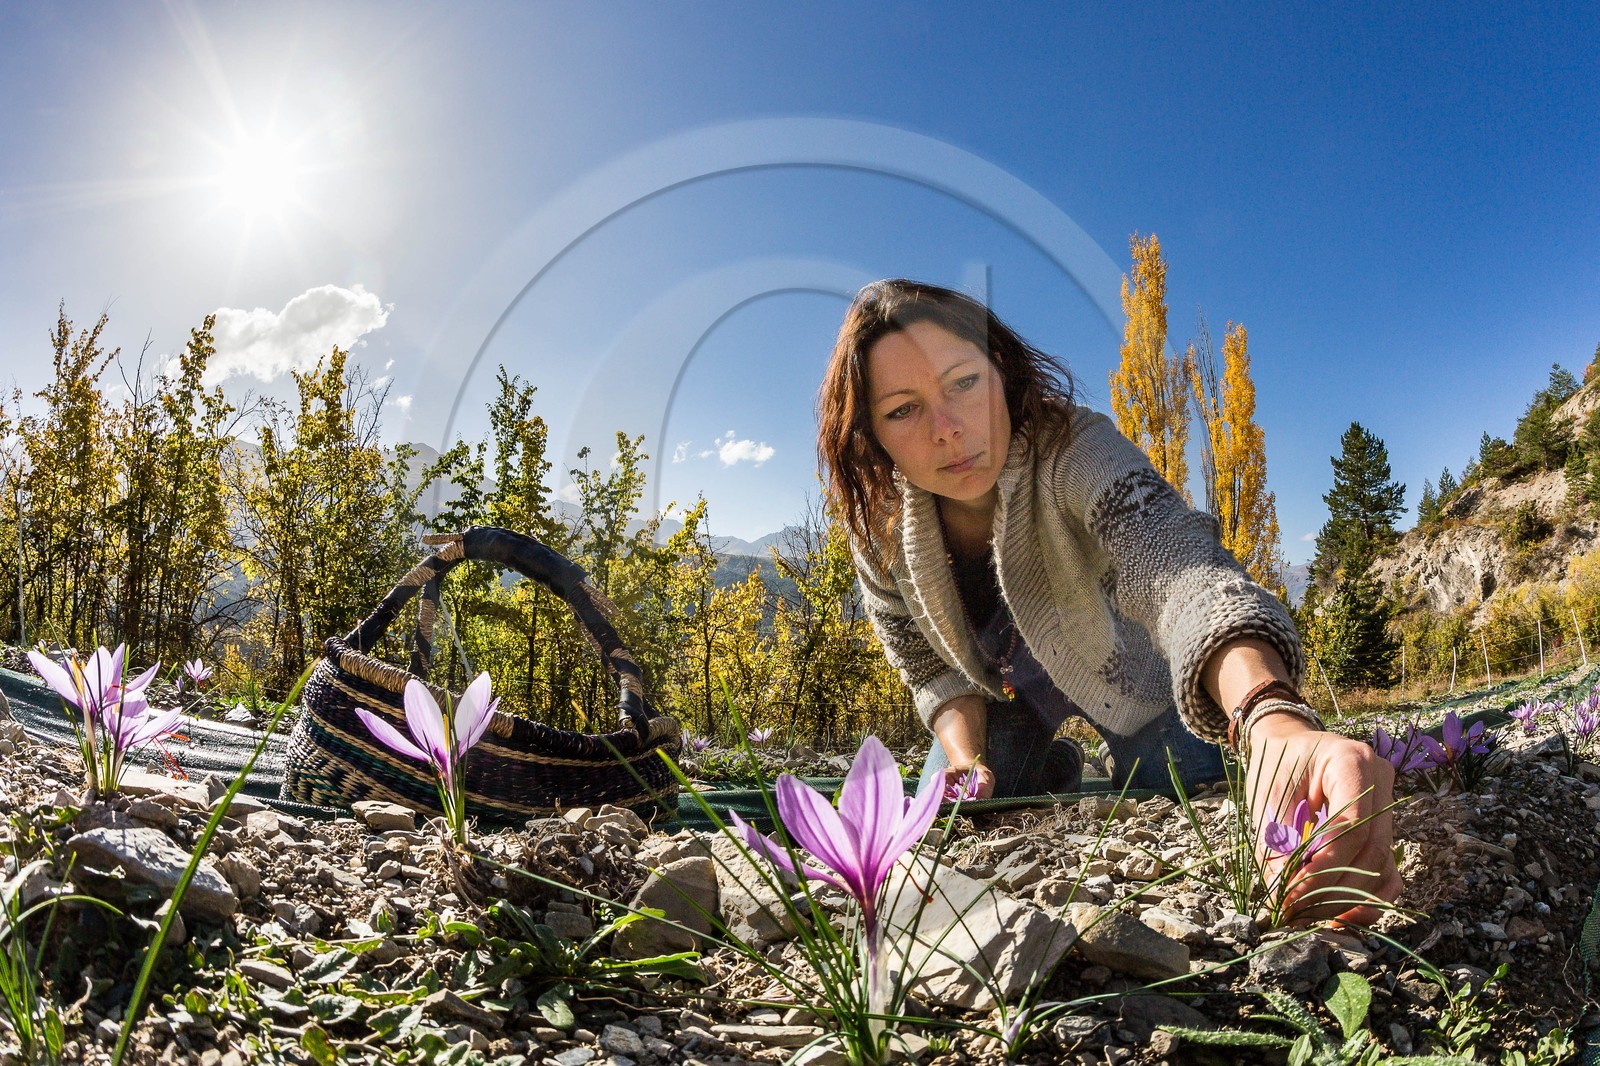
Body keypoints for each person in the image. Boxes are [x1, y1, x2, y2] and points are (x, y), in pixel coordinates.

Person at [816, 279, 1400, 925]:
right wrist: (964, 757)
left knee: (1186, 779)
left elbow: (1178, 567)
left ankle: (1118, 752)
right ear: (870, 434)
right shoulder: (877, 527)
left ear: (1003, 374)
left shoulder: (1076, 447)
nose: (950, 430)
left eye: (964, 382)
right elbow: (927, 668)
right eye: (903, 410)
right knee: (953, 819)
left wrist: (1271, 716)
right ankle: (1055, 762)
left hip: (1131, 678)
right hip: (1000, 702)